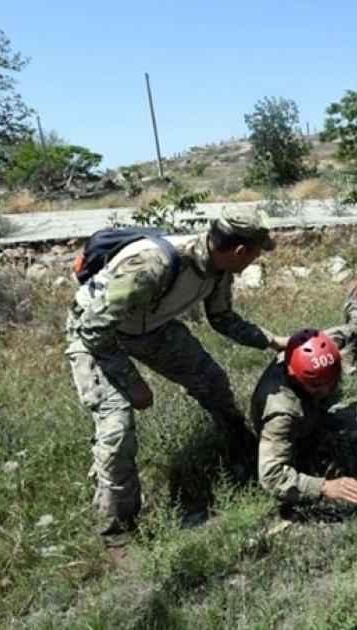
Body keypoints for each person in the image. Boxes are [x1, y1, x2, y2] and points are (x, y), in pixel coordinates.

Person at [65, 207, 288, 562]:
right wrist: (132, 382)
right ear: (242, 251)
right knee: (117, 426)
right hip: (95, 334)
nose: (258, 257)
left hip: (148, 328)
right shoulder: (154, 264)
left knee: (212, 382)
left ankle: (243, 449)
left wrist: (272, 340)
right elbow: (94, 326)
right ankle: (117, 533)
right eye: (259, 250)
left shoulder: (218, 269)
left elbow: (223, 319)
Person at [251, 325, 357, 505]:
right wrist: (323, 487)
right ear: (294, 376)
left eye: (330, 381)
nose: (325, 389)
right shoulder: (282, 414)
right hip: (296, 437)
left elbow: (341, 333)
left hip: (315, 417)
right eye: (316, 386)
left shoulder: (321, 350)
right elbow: (271, 477)